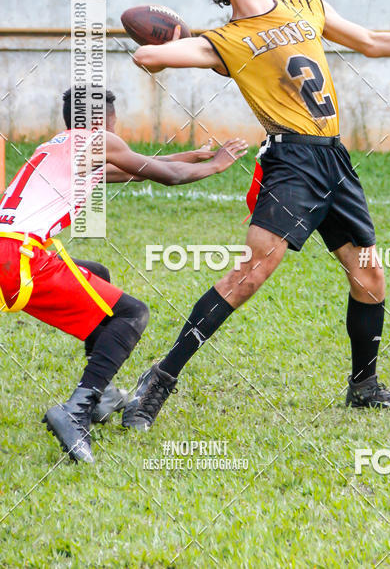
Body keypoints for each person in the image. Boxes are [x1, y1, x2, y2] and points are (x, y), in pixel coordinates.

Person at [124, 0, 390, 430]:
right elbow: (148, 55)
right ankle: (159, 378)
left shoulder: (305, 5)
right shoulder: (226, 41)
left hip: (333, 157)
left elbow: (372, 40)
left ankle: (365, 386)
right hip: (291, 163)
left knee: (370, 274)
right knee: (250, 275)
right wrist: (170, 42)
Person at [0, 87, 247, 463]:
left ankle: (99, 396)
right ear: (102, 123)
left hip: (11, 252)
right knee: (132, 313)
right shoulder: (99, 141)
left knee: (96, 274)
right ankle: (77, 409)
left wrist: (191, 156)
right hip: (19, 259)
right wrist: (215, 165)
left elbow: (134, 168)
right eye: (115, 122)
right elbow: (168, 176)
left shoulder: (56, 146)